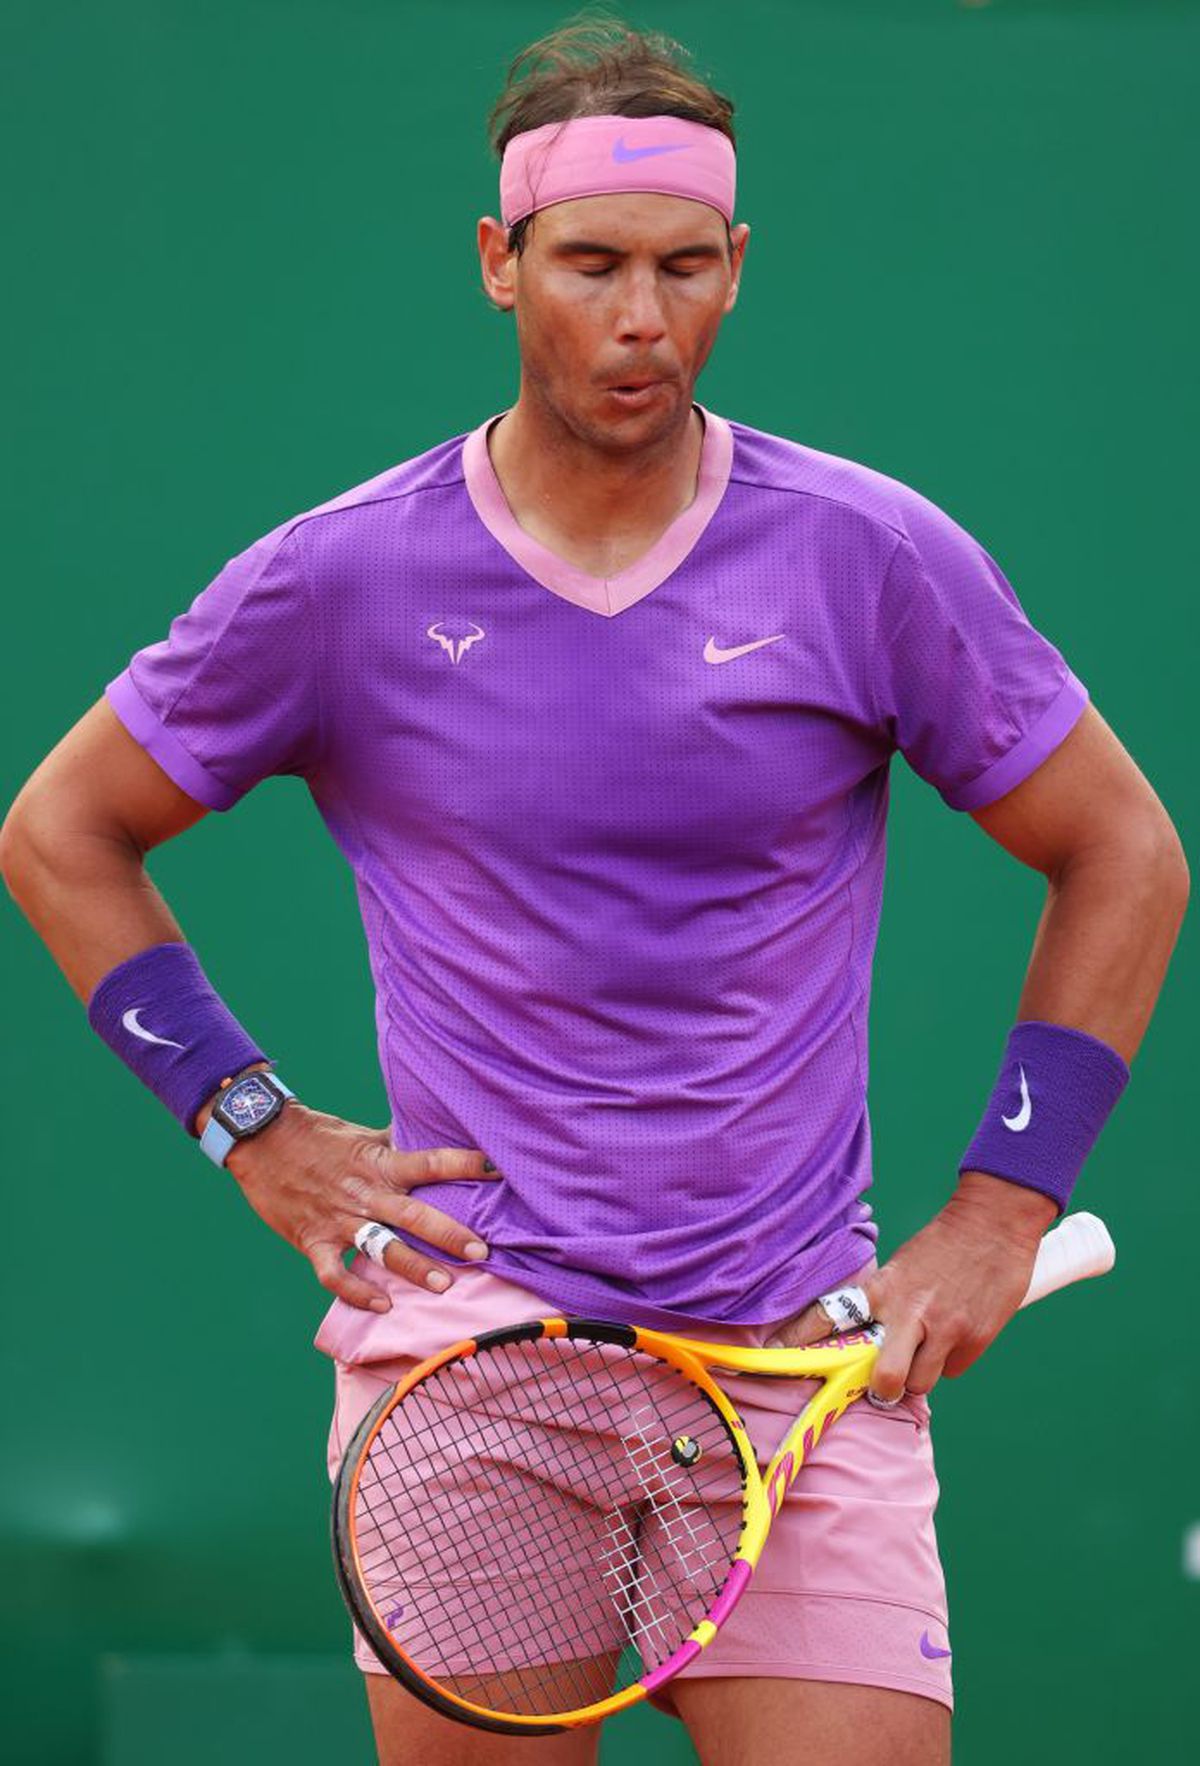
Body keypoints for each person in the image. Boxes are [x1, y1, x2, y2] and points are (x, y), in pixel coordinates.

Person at [0, 17, 1188, 1766]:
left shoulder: (868, 556)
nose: (643, 318)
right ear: (500, 264)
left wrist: (1002, 1208)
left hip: (799, 1366)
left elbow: (1126, 849)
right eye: (592, 264)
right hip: (475, 1371)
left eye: (687, 266)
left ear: (737, 268)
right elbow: (61, 828)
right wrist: (249, 1123)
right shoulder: (341, 578)